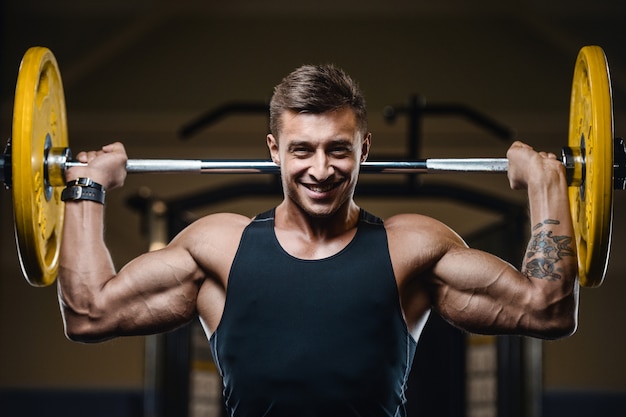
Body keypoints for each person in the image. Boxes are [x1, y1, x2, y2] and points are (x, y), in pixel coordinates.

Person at [58, 64, 578, 417]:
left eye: (339, 149)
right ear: (274, 149)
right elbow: (89, 313)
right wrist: (87, 187)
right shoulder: (220, 247)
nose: (321, 169)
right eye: (302, 149)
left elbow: (546, 311)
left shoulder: (411, 247)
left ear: (365, 148)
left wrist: (547, 186)